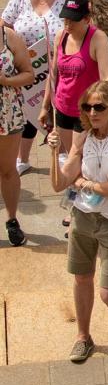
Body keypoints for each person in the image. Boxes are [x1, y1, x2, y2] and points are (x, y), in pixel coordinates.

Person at [47, 80, 108, 363]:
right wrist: (54, 152)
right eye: (87, 107)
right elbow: (58, 183)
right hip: (83, 217)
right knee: (81, 278)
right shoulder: (84, 137)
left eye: (99, 106)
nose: (92, 112)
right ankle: (83, 336)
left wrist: (84, 182)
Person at [3, 0, 70, 176]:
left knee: (58, 110)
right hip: (26, 68)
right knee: (26, 112)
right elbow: (5, 26)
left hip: (58, 67)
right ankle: (22, 158)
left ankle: (61, 153)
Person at [38, 0, 108, 169]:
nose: (67, 25)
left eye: (73, 21)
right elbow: (53, 73)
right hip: (63, 106)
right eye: (65, 20)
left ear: (87, 19)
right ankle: (75, 188)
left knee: (77, 155)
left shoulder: (98, 39)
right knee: (68, 154)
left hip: (87, 110)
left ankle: (80, 187)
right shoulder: (60, 36)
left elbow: (106, 76)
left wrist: (106, 105)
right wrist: (45, 107)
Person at [0, 19, 34, 247]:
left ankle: (12, 221)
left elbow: (29, 74)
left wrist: (6, 80)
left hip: (7, 114)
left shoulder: (9, 37)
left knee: (8, 170)